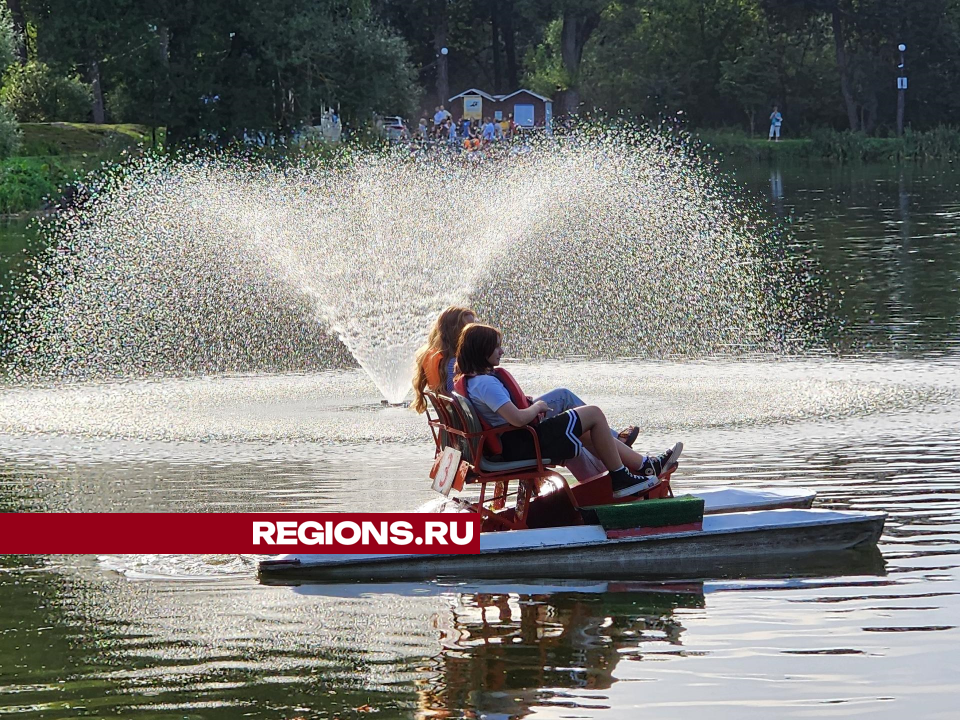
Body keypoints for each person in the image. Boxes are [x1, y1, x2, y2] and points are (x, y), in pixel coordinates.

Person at [456, 323, 682, 498]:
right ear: (481, 349)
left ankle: (643, 466)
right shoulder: (486, 384)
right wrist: (536, 407)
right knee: (593, 414)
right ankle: (620, 477)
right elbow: (516, 419)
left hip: (517, 440)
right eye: (496, 346)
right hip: (523, 442)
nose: (501, 351)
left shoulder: (475, 381)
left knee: (587, 429)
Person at [412, 306, 478, 413]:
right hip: (465, 423)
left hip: (449, 421)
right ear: (454, 331)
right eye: (469, 328)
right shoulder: (455, 363)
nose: (476, 332)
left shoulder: (429, 355)